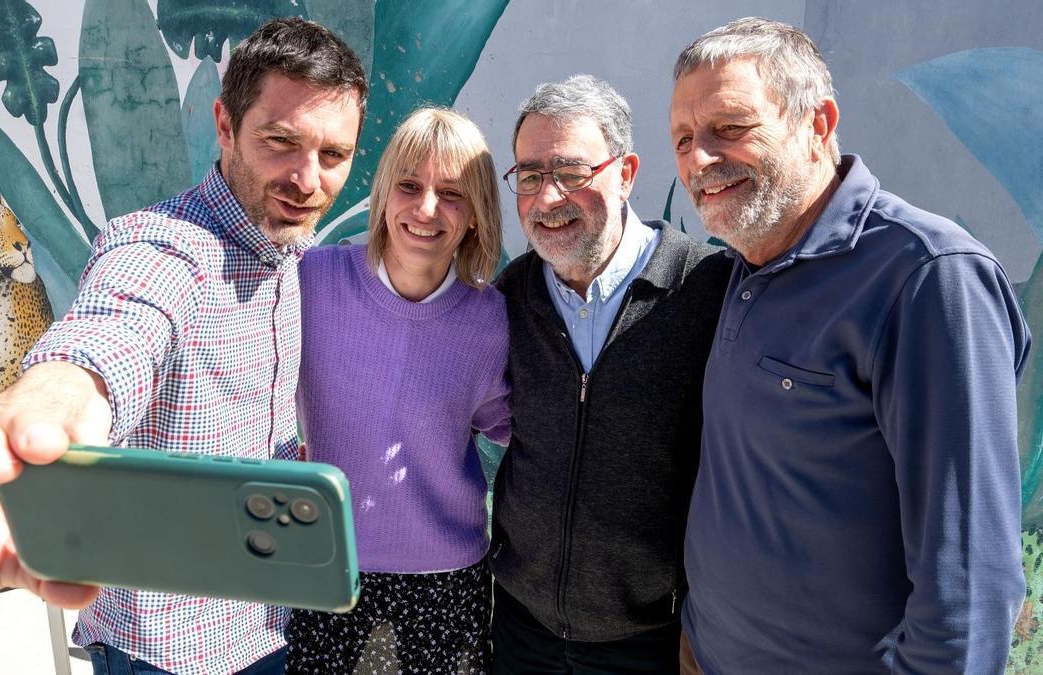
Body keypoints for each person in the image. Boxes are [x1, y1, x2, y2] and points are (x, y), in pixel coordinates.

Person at [0, 17, 367, 675]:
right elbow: (112, 332)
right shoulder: (162, 250)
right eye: (280, 141)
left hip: (273, 622)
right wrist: (46, 413)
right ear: (225, 125)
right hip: (169, 649)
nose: (307, 178)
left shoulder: (299, 254)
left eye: (333, 155)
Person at [670, 17, 1029, 674]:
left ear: (818, 124)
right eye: (685, 139)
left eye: (731, 128)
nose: (699, 159)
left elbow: (970, 596)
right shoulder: (745, 264)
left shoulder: (927, 278)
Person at [490, 75, 731, 673]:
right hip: (522, 630)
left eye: (571, 173)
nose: (547, 199)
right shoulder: (509, 298)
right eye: (529, 176)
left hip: (654, 641)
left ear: (625, 174)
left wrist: (705, 625)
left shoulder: (707, 290)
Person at [285, 106, 510, 673]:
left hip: (446, 580)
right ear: (384, 194)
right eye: (409, 185)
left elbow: (510, 425)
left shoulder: (492, 321)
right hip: (327, 568)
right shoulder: (311, 281)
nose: (426, 209)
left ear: (478, 216)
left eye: (453, 193)